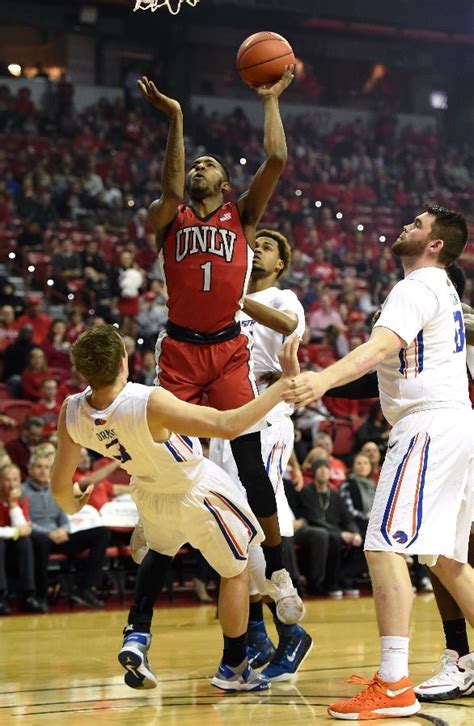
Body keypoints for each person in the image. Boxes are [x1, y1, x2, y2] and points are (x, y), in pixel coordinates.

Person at [284, 204, 474, 719]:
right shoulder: (444, 291)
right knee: (448, 561)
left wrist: (321, 380)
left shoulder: (417, 286)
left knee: (384, 545)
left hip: (428, 424)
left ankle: (393, 684)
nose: (406, 227)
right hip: (453, 423)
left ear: (436, 244)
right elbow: (387, 362)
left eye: (417, 225)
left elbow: (378, 348)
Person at [51, 325, 301, 692]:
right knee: (237, 569)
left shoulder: (72, 411)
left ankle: (137, 633)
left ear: (82, 370)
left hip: (148, 493)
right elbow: (227, 425)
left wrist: (73, 503)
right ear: (124, 360)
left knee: (160, 550)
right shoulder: (147, 401)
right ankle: (234, 666)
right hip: (194, 489)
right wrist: (284, 383)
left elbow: (60, 488)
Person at [137, 72, 303, 622]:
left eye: (210, 165)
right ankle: (152, 549)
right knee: (166, 454)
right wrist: (177, 118)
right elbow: (169, 190)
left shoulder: (242, 217)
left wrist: (272, 100)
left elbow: (275, 160)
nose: (199, 167)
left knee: (252, 464)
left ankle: (279, 567)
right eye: (196, 163)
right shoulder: (171, 217)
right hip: (182, 350)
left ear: (228, 186)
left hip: (229, 349)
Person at [208, 228, 312, 681]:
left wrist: (232, 298)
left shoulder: (285, 299)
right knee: (231, 525)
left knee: (263, 514)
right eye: (253, 246)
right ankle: (256, 633)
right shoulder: (228, 305)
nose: (256, 251)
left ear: (280, 263)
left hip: (266, 420)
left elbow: (286, 334)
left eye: (266, 247)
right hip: (226, 420)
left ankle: (291, 634)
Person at [25, 451, 110, 610]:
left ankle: (85, 588)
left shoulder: (56, 490)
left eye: (46, 467)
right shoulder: (23, 491)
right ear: (30, 469)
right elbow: (24, 522)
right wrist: (48, 533)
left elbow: (64, 518)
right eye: (38, 467)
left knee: (102, 533)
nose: (43, 471)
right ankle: (41, 596)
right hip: (37, 538)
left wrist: (64, 530)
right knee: (41, 542)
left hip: (59, 536)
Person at [0, 463, 45, 613]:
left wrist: (13, 505)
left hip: (11, 545)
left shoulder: (21, 500)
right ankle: (1, 597)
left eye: (15, 479)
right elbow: (20, 530)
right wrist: (16, 532)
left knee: (25, 542)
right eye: (7, 480)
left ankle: (28, 596)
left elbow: (24, 529)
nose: (12, 484)